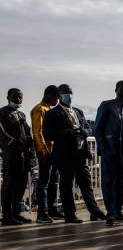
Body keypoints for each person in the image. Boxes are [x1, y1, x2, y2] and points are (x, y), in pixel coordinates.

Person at [42, 84, 106, 223]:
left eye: (70, 92)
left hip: (80, 153)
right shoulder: (52, 113)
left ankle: (94, 211)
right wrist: (67, 132)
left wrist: (85, 132)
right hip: (64, 154)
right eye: (65, 92)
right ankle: (70, 215)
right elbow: (47, 134)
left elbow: (89, 128)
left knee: (86, 183)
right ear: (59, 95)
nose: (69, 95)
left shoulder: (78, 112)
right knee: (66, 184)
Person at [93, 80, 123, 227]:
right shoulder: (107, 105)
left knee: (121, 183)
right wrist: (104, 148)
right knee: (108, 182)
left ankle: (118, 210)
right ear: (116, 89)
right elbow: (97, 129)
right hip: (109, 151)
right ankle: (110, 212)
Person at [0, 88, 35, 225]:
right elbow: (3, 134)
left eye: (21, 96)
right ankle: (7, 215)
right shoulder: (2, 113)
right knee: (9, 185)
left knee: (21, 185)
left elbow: (28, 133)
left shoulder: (21, 114)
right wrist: (16, 144)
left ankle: (16, 213)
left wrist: (30, 150)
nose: (19, 99)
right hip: (11, 155)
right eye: (16, 96)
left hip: (23, 156)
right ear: (8, 96)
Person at [31, 85, 62, 223]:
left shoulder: (49, 110)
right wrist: (44, 152)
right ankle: (42, 213)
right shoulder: (39, 109)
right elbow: (37, 133)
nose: (58, 100)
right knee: (44, 183)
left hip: (54, 152)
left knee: (54, 182)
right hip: (46, 152)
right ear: (50, 95)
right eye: (57, 97)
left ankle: (52, 209)